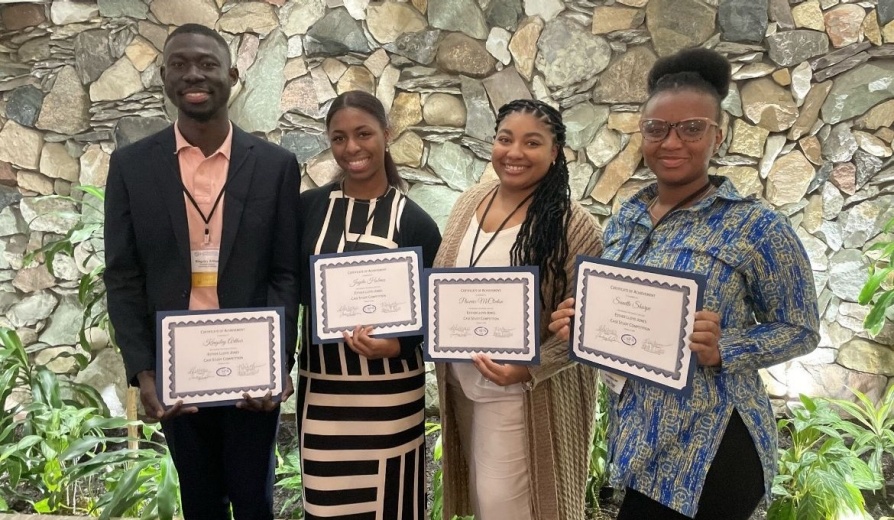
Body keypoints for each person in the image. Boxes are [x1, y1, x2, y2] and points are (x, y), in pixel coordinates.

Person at [549, 47, 820, 519]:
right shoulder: (628, 217)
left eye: (692, 128)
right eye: (657, 128)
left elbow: (801, 328)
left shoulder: (756, 227)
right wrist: (581, 323)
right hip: (639, 439)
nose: (671, 142)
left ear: (718, 135)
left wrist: (725, 348)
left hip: (712, 447)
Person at [103, 23, 300, 520]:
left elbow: (284, 273)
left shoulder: (275, 166)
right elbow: (123, 276)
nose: (194, 74)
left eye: (208, 64)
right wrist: (144, 370)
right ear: (164, 77)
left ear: (232, 76)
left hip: (251, 370)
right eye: (180, 64)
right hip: (177, 373)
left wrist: (277, 362)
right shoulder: (131, 167)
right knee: (200, 501)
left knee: (255, 501)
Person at [434, 99, 603, 520]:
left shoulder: (573, 226)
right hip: (462, 383)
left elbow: (591, 329)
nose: (514, 153)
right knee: (482, 500)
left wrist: (529, 368)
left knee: (503, 506)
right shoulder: (470, 202)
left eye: (532, 142)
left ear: (555, 151)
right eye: (505, 139)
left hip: (519, 392)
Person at [296, 90, 441, 520]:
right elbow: (288, 288)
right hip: (324, 393)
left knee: (390, 506)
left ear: (386, 134)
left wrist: (396, 345)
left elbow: (433, 315)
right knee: (325, 505)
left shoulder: (415, 222)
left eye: (363, 134)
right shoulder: (307, 210)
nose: (352, 147)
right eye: (339, 138)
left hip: (390, 397)